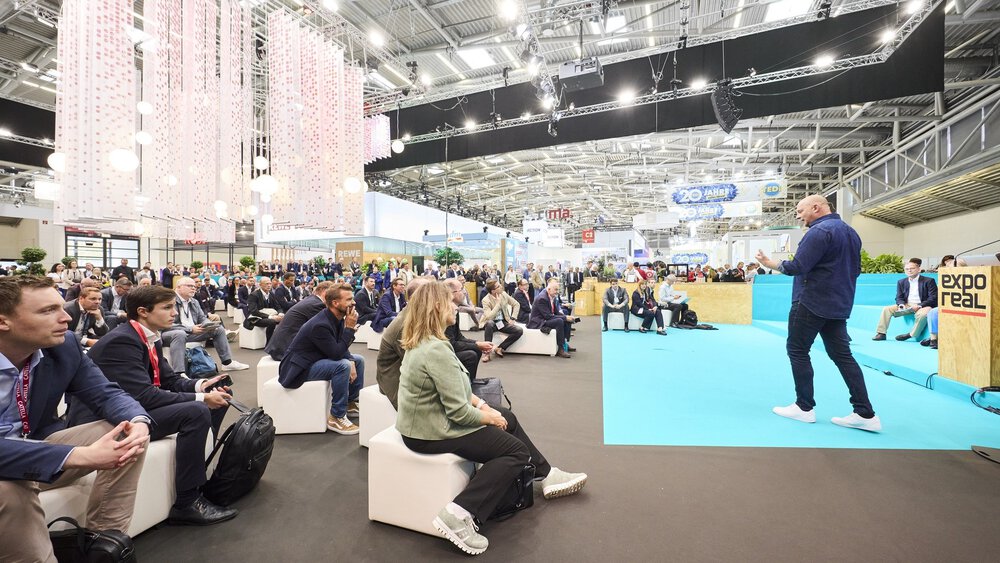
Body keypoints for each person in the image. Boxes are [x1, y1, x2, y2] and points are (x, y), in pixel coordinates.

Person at [395, 282, 587, 556]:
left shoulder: (427, 342)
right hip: (430, 432)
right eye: (450, 301)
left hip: (425, 424)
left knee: (507, 415)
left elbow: (455, 391)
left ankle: (547, 474)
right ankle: (459, 514)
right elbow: (458, 413)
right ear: (437, 306)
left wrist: (487, 407)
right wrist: (488, 418)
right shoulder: (435, 349)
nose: (455, 305)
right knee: (515, 452)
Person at [0, 276, 151, 562]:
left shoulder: (63, 346)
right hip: (14, 463)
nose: (66, 317)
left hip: (37, 444)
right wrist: (75, 455)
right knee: (9, 490)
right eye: (47, 311)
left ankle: (104, 545)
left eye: (61, 307)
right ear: (3, 322)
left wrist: (139, 421)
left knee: (126, 434)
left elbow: (106, 393)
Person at [68, 285, 238, 526]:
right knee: (197, 410)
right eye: (167, 308)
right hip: (104, 422)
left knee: (216, 397)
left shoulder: (149, 336)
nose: (174, 313)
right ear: (143, 311)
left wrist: (202, 386)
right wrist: (201, 399)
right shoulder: (122, 341)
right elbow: (145, 395)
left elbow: (168, 380)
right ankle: (187, 501)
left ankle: (199, 475)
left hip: (133, 410)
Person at [756, 194, 880, 432]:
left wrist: (770, 263)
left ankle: (804, 407)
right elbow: (856, 270)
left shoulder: (818, 232)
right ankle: (865, 412)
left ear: (816, 207)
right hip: (838, 304)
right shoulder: (851, 233)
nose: (798, 215)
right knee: (843, 356)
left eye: (800, 210)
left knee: (797, 350)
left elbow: (796, 267)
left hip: (810, 302)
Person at [278, 283, 363, 435]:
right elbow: (336, 354)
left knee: (358, 360)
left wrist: (351, 360)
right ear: (335, 303)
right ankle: (336, 417)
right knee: (343, 365)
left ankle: (350, 402)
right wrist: (349, 329)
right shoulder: (321, 324)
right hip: (298, 369)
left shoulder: (335, 317)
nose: (353, 302)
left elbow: (338, 347)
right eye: (349, 299)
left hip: (315, 359)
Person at [160, 277, 249, 375]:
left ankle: (227, 363)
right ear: (179, 287)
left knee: (218, 329)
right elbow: (164, 324)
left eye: (194, 286)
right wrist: (190, 329)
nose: (193, 288)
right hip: (171, 333)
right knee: (180, 334)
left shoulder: (194, 302)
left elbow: (202, 318)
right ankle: (180, 373)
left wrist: (208, 325)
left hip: (193, 331)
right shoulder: (169, 301)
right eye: (190, 286)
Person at [376, 277, 432, 409]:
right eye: (432, 293)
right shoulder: (405, 325)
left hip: (408, 375)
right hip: (395, 382)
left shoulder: (417, 317)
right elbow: (419, 365)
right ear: (420, 298)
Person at [872, 258, 938, 342]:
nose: (909, 270)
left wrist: (919, 306)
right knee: (886, 309)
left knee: (923, 315)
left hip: (924, 305)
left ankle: (911, 334)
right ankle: (881, 333)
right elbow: (899, 297)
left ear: (919, 269)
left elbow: (933, 298)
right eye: (907, 269)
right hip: (907, 304)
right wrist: (901, 304)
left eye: (912, 268)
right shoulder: (901, 282)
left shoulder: (929, 281)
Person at [266, 281, 333, 361]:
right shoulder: (317, 305)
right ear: (325, 292)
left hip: (281, 347)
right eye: (334, 294)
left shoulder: (312, 300)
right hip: (285, 351)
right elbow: (324, 331)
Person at [444, 278, 493, 378]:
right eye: (461, 289)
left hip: (448, 347)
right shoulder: (445, 313)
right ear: (452, 293)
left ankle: (469, 383)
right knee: (470, 355)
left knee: (476, 350)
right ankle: (466, 387)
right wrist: (477, 345)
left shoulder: (454, 310)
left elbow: (459, 337)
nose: (464, 291)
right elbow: (451, 344)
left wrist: (478, 344)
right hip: (442, 352)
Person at [528, 278, 577, 358]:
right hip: (538, 321)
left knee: (565, 318)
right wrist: (564, 318)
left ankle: (564, 344)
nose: (557, 292)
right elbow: (548, 316)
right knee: (560, 321)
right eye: (556, 290)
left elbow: (556, 312)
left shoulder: (551, 295)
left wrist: (567, 317)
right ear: (549, 289)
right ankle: (560, 350)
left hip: (545, 318)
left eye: (558, 290)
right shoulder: (542, 298)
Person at [479, 280, 523, 361]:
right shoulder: (486, 300)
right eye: (498, 286)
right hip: (492, 322)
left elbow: (516, 304)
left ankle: (500, 348)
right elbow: (489, 316)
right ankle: (487, 353)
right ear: (493, 291)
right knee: (489, 324)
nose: (501, 286)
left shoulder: (503, 294)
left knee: (519, 330)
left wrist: (513, 318)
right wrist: (498, 304)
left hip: (503, 322)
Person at [243, 277, 285, 342]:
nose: (269, 285)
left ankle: (280, 342)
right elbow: (254, 311)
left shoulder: (271, 294)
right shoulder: (254, 295)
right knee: (272, 322)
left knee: (285, 319)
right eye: (266, 284)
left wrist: (280, 314)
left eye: (270, 284)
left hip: (268, 315)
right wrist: (271, 317)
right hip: (255, 318)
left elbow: (278, 307)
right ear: (260, 285)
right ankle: (269, 343)